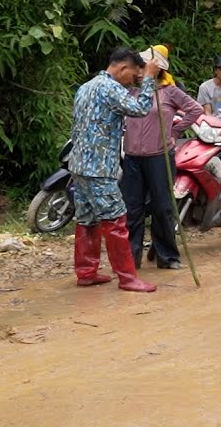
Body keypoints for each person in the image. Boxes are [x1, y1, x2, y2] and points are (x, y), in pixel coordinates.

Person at [69, 47, 162, 292]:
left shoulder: (86, 87)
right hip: (99, 168)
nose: (132, 81)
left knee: (87, 218)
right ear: (122, 68)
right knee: (116, 220)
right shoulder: (110, 88)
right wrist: (149, 78)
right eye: (132, 75)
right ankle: (128, 278)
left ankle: (86, 272)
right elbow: (140, 109)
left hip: (79, 165)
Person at [122, 45, 201, 270]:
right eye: (139, 66)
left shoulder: (169, 91)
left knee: (163, 207)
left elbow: (195, 110)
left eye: (144, 66)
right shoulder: (130, 91)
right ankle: (131, 258)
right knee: (132, 208)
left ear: (156, 69)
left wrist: (175, 131)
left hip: (159, 157)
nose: (140, 71)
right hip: (132, 158)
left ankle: (167, 256)